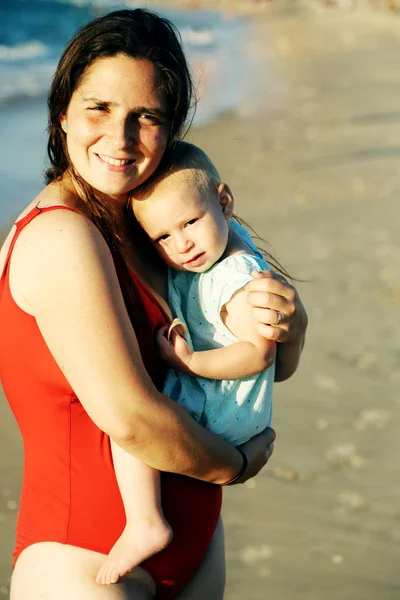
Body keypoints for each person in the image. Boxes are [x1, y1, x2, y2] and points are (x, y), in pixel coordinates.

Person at [0, 9, 307, 600]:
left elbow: (266, 361)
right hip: (87, 561)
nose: (119, 138)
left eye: (146, 117)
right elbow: (132, 421)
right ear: (61, 111)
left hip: (195, 548)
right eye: (99, 108)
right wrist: (233, 467)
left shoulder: (160, 225)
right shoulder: (61, 237)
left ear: (170, 130)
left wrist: (293, 326)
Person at [96, 140, 280, 585]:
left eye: (190, 222)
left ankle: (145, 522)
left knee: (129, 424)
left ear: (224, 201)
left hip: (223, 412)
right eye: (162, 237)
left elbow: (258, 352)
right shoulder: (219, 252)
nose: (181, 244)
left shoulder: (236, 279)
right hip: (227, 409)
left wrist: (191, 362)